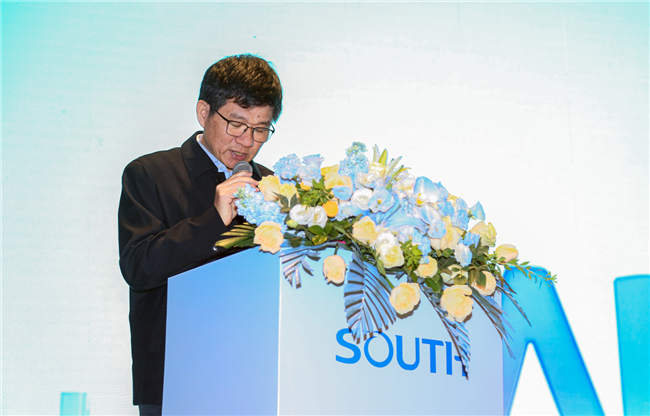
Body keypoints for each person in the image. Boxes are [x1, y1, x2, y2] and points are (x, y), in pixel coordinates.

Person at [118, 54, 282, 415]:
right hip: (176, 379)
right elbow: (138, 267)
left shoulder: (273, 186)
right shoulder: (151, 174)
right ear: (203, 112)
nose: (247, 141)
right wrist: (213, 220)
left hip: (259, 376)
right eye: (236, 124)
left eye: (260, 129)